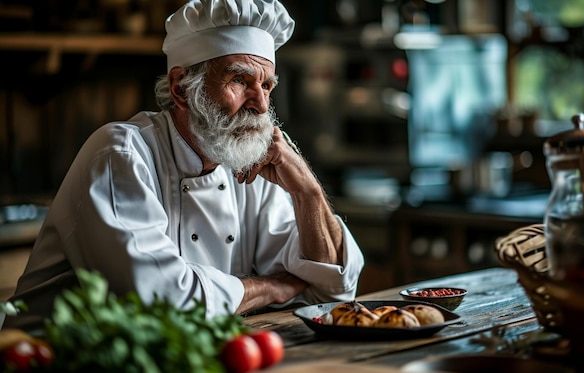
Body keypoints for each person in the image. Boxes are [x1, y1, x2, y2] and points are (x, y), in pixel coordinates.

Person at [1, 0, 365, 332]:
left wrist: (307, 190)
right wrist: (269, 287)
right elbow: (161, 299)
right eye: (239, 79)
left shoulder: (248, 161)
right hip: (52, 357)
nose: (260, 104)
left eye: (266, 85)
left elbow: (333, 287)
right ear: (181, 88)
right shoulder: (121, 153)